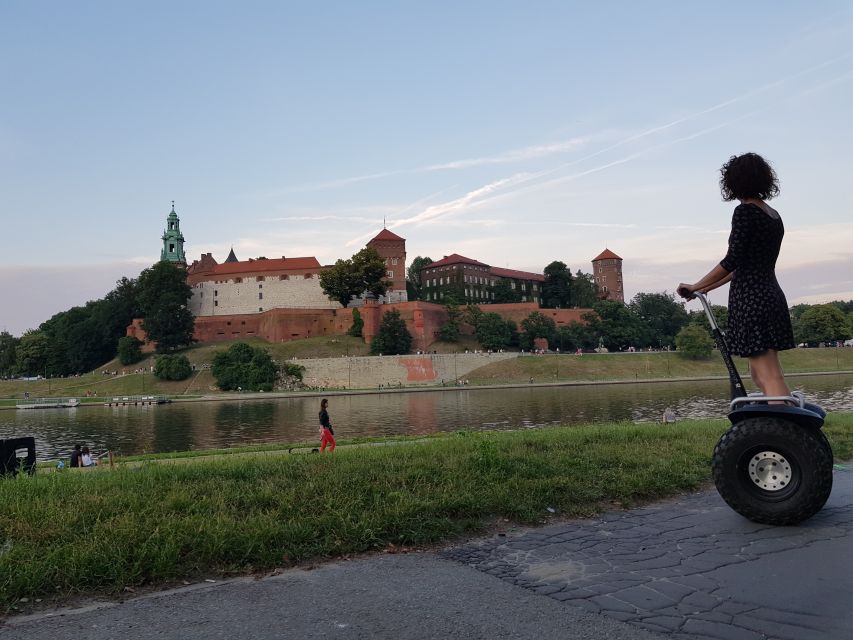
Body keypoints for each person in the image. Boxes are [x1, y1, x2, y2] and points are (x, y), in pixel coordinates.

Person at [678, 153, 795, 400]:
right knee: (763, 373)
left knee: (767, 375)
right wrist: (707, 288)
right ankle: (788, 428)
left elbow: (732, 259)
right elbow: (742, 265)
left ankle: (784, 434)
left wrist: (697, 285)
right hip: (770, 293)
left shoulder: (745, 212)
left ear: (734, 182)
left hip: (751, 298)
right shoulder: (773, 215)